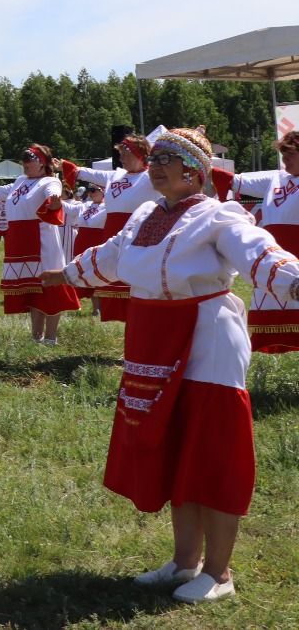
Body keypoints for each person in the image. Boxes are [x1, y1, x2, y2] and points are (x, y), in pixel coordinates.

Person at [48, 127, 299, 605]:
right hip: (154, 338)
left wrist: (293, 278)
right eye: (155, 157)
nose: (157, 164)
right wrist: (66, 274)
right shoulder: (144, 214)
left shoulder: (219, 215)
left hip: (207, 341)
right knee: (177, 448)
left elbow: (257, 248)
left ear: (196, 172)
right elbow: (111, 257)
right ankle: (186, 562)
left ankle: (220, 572)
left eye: (169, 158)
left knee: (213, 452)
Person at [0, 144, 80, 345]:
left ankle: (50, 337)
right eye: (23, 160)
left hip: (42, 244)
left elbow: (53, 193)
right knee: (32, 291)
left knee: (49, 288)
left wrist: (54, 201)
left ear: (42, 163)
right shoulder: (20, 181)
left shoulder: (49, 181)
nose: (25, 164)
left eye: (29, 160)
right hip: (19, 242)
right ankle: (36, 337)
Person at [217, 128, 299, 352]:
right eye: (283, 154)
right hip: (276, 256)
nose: (285, 159)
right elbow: (235, 181)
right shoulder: (275, 178)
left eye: (290, 154)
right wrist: (198, 158)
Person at [73, 133, 160, 322]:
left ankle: (143, 342)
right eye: (120, 154)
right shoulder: (116, 175)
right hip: (113, 237)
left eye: (125, 153)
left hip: (140, 237)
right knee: (116, 283)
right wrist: (70, 168)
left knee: (138, 291)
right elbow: (89, 173)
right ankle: (131, 343)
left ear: (139, 153)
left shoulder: (151, 175)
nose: (121, 158)